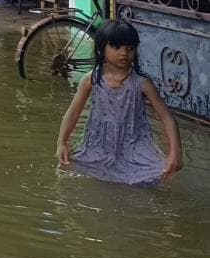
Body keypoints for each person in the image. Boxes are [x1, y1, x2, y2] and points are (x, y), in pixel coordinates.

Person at [56, 19, 183, 186]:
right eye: (116, 47)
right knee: (74, 171)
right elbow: (73, 113)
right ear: (101, 48)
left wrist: (175, 152)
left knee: (153, 176)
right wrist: (61, 143)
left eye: (130, 48)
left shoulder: (142, 84)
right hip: (98, 146)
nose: (124, 53)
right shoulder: (91, 80)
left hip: (134, 145)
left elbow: (167, 118)